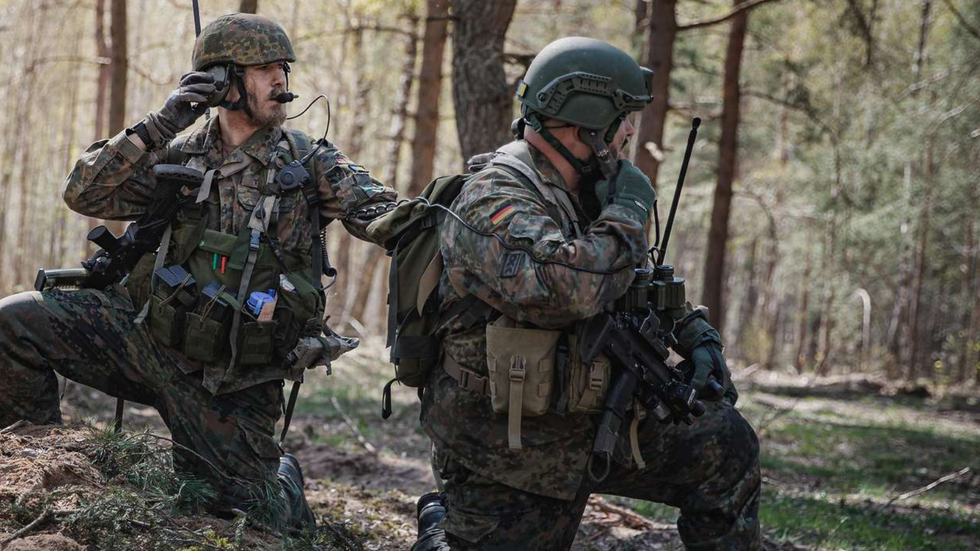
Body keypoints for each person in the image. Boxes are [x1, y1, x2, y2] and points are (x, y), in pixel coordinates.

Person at [0, 13, 395, 532]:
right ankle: (38, 467)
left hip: (233, 376)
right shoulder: (175, 154)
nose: (281, 81)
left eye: (283, 67)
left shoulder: (310, 162)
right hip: (147, 337)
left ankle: (281, 476)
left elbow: (384, 213)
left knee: (245, 513)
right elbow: (85, 193)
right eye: (264, 69)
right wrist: (160, 123)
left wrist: (433, 216)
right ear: (224, 82)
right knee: (12, 325)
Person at [412, 37, 760, 550]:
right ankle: (444, 527)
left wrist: (693, 331)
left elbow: (627, 276)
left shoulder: (582, 188)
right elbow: (567, 288)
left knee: (727, 448)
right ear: (588, 124)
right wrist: (628, 213)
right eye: (624, 121)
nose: (629, 136)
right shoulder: (492, 199)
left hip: (590, 417)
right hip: (509, 445)